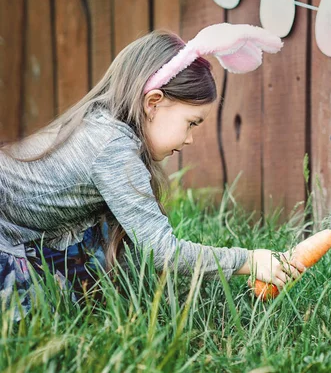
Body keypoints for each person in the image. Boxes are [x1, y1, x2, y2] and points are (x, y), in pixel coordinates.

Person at [0, 23, 305, 314]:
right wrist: (249, 260)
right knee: (37, 311)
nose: (190, 139)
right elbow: (162, 252)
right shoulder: (111, 148)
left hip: (28, 230)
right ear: (153, 102)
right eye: (191, 123)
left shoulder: (105, 123)